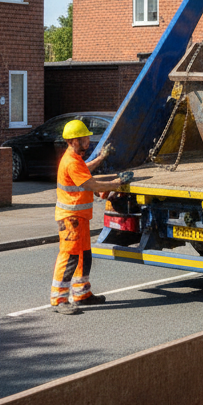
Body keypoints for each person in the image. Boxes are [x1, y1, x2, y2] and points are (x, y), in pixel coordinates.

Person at [51, 120, 122, 315]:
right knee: (69, 257)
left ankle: (82, 293)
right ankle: (59, 299)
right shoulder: (71, 162)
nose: (88, 141)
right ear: (74, 141)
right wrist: (117, 183)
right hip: (70, 218)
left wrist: (101, 158)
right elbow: (91, 184)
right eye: (84, 138)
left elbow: (85, 168)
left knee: (84, 256)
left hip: (79, 217)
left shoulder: (74, 158)